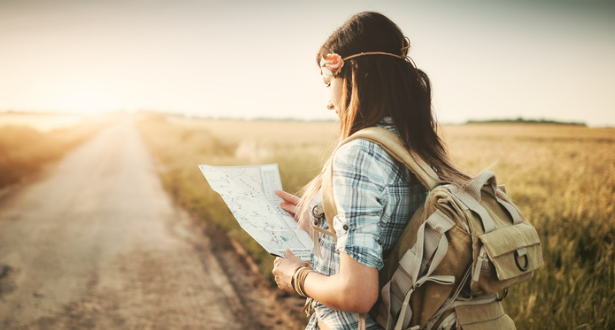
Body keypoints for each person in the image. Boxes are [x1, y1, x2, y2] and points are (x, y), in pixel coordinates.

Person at [272, 11, 469, 330]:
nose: (329, 102)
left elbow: (357, 293)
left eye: (328, 82)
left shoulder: (358, 155)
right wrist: (320, 221)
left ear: (352, 77)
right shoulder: (420, 147)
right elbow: (394, 243)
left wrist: (296, 276)